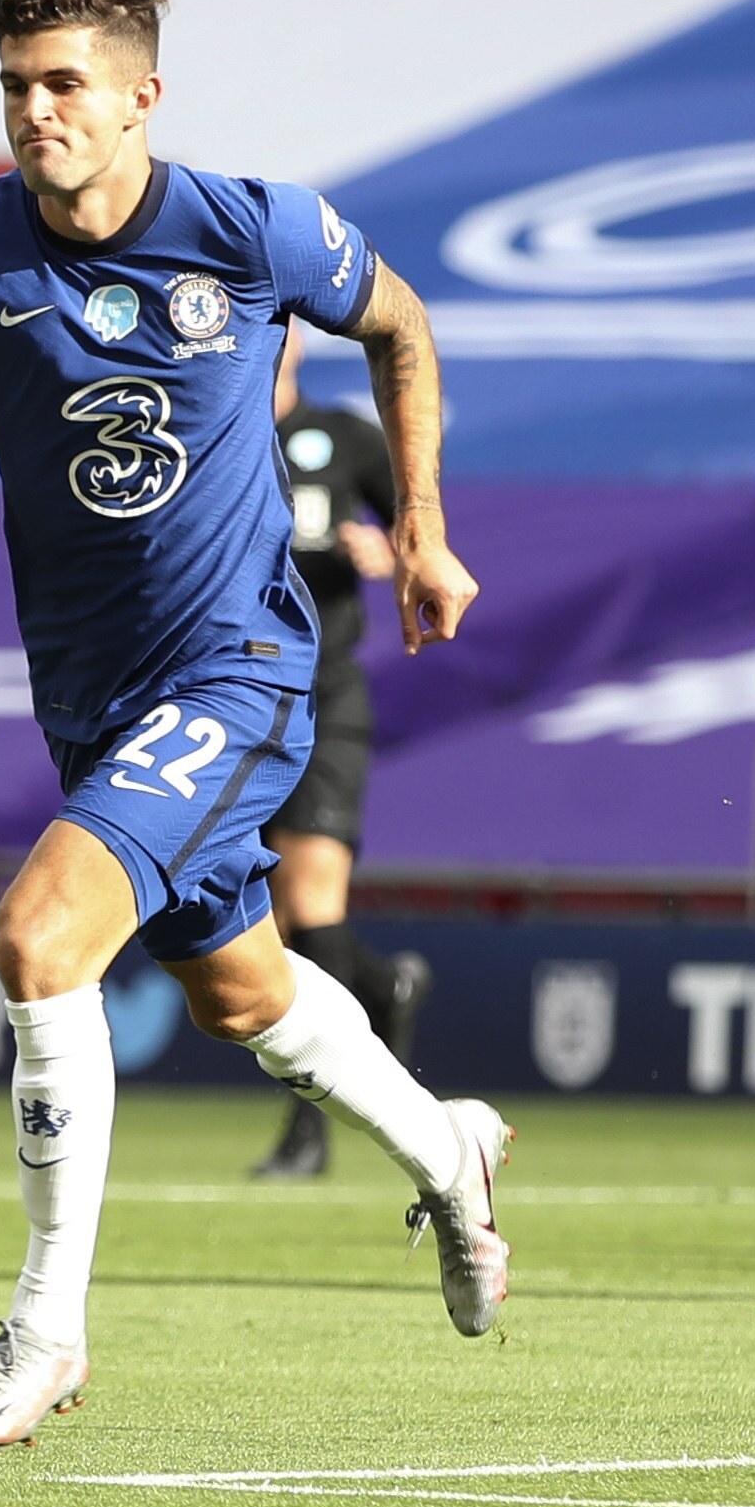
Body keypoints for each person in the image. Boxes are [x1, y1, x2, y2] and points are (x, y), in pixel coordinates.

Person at [0, 0, 505, 1450]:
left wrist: (418, 525)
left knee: (37, 936)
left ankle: (46, 1324)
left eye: (63, 83)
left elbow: (400, 329)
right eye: (15, 86)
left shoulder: (255, 227)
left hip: (238, 667)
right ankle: (449, 1146)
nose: (34, 112)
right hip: (85, 691)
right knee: (240, 995)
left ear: (142, 94)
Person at [252, 326, 433, 1179]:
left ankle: (309, 1130)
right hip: (233, 699)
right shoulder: (200, 432)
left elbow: (420, 533)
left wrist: (387, 547)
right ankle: (384, 984)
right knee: (275, 926)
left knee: (311, 903)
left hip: (322, 693)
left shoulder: (341, 437)